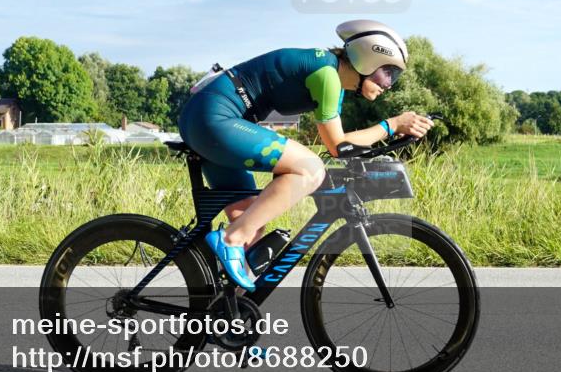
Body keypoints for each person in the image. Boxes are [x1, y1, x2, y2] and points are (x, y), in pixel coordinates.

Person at [177, 20, 434, 291]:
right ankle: (229, 240)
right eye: (388, 74)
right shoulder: (327, 75)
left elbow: (344, 145)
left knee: (252, 226)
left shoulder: (332, 78)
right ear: (367, 60)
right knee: (310, 168)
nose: (389, 85)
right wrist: (391, 126)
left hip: (210, 120)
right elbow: (338, 146)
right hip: (214, 118)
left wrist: (390, 131)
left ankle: (227, 315)